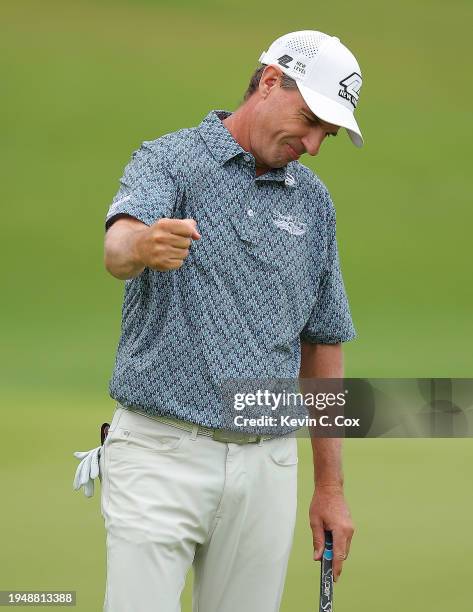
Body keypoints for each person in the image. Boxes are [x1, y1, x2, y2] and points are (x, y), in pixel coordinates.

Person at [73, 29, 363, 612]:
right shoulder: (170, 160)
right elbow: (117, 248)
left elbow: (323, 344)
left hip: (268, 466)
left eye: (325, 134)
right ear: (270, 81)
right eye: (308, 121)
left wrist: (329, 486)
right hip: (160, 454)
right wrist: (145, 243)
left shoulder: (314, 203)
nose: (312, 145)